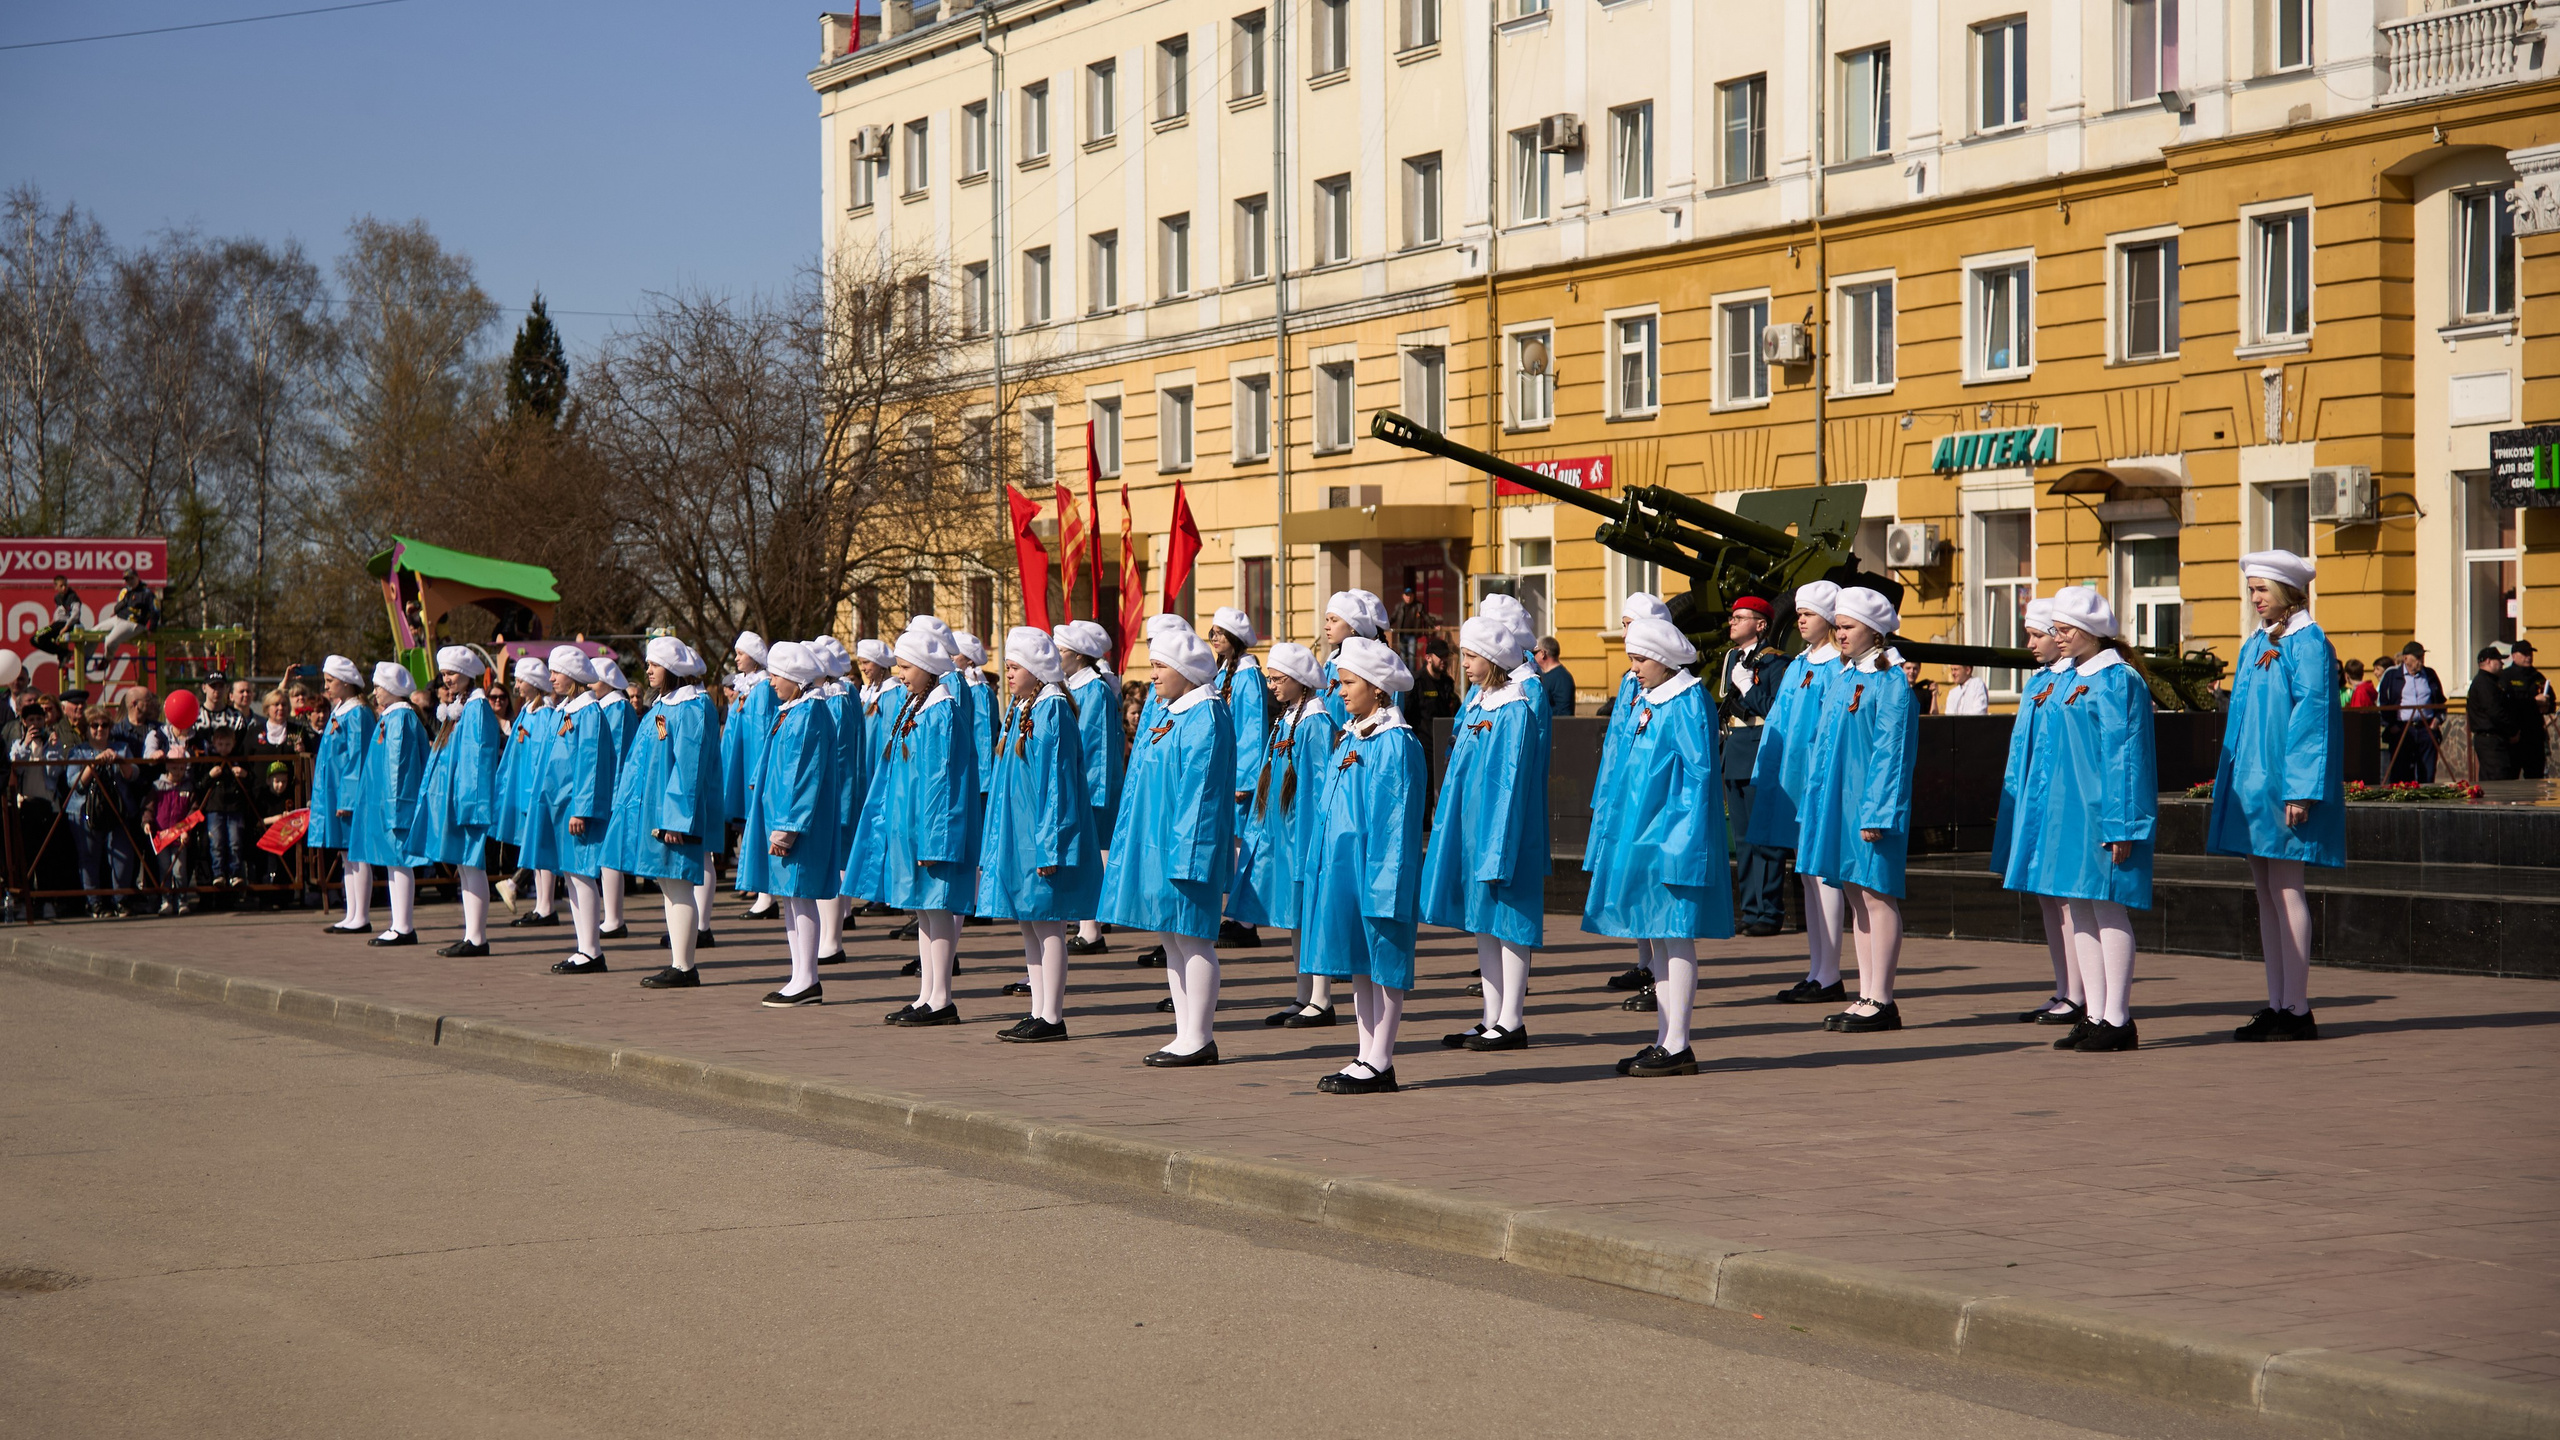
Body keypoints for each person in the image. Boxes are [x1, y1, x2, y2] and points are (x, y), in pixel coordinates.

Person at [1582, 616, 1730, 1076]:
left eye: (1641, 658)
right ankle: (1666, 1039)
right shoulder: (1654, 699)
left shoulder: (1687, 702)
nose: (1634, 667)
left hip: (1670, 840)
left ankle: (1679, 1043)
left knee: (1676, 936)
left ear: (1665, 660)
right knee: (1662, 941)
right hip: (1646, 835)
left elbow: (1697, 778)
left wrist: (1682, 845)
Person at [2206, 551, 2341, 1041]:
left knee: (2287, 891)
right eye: (2252, 590)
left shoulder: (2308, 643)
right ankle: (2277, 1002)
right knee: (2266, 894)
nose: (2255, 598)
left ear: (2288, 591)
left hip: (2285, 790)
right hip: (2254, 789)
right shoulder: (2256, 644)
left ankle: (2298, 1009)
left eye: (2262, 589)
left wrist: (2302, 789)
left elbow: (2313, 719)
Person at [2023, 588, 2157, 1053]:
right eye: (2055, 629)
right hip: (2069, 813)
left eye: (2063, 630)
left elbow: (2126, 757)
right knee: (2080, 908)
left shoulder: (2117, 679)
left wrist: (2123, 825)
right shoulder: (2069, 678)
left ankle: (2118, 1017)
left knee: (2107, 908)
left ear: (2087, 631)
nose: (2056, 638)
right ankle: (2095, 1013)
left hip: (2102, 814)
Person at [1098, 622, 1235, 1066]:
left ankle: (1200, 1036)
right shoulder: (1174, 711)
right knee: (1173, 941)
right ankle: (1184, 1033)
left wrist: (1188, 855)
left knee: (1194, 940)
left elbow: (1201, 795)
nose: (1153, 675)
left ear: (1184, 669)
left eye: (1159, 666)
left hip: (1187, 851)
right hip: (1161, 847)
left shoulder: (1206, 715)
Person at [1297, 636, 1427, 1094]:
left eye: (1349, 682)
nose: (1340, 690)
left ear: (1376, 687)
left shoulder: (1395, 743)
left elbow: (1396, 821)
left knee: (1383, 963)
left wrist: (1385, 883)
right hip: (1344, 870)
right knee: (1357, 961)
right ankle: (1364, 1051)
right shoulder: (1352, 734)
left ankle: (1382, 1059)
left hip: (1376, 874)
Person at [1422, 616, 1547, 1051]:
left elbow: (1510, 784)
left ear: (1493, 659)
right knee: (1484, 925)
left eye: (1472, 656)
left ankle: (1512, 1019)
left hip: (1504, 836)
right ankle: (1491, 1016)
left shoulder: (1516, 707)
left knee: (1510, 924)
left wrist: (1497, 843)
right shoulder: (1480, 701)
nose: (1465, 665)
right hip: (1476, 831)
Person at [1797, 588, 1918, 1035]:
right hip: (1839, 803)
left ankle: (1882, 999)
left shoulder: (1891, 680)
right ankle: (1867, 995)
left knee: (1875, 895)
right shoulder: (1846, 676)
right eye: (1839, 626)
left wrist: (1878, 813)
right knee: (1854, 894)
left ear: (1875, 630)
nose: (1839, 634)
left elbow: (1891, 751)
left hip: (1870, 808)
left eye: (1848, 627)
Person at [979, 628, 1101, 1042]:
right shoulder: (1023, 706)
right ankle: (1037, 1009)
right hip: (1021, 835)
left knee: (1049, 926)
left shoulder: (1053, 710)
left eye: (1014, 667)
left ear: (1034, 669)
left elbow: (1058, 784)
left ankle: (1053, 1015)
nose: (1008, 674)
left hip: (1042, 839)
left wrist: (1052, 844)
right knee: (1030, 924)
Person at [850, 627, 975, 1021]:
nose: (899, 673)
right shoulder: (917, 706)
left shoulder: (942, 712)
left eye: (905, 666)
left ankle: (942, 998)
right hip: (912, 829)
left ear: (925, 667)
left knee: (937, 911)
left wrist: (935, 841)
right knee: (923, 912)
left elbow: (942, 782)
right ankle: (927, 993)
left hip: (930, 833)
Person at [1994, 600, 2087, 1027]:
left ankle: (2081, 993)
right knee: (2048, 899)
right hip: (2033, 799)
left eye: (2038, 635)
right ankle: (2064, 987)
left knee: (2067, 901)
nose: (2029, 643)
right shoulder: (2039, 682)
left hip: (2059, 803)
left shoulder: (2077, 680)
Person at [1753, 582, 1847, 1004]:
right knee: (1806, 874)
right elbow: (1777, 721)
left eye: (1809, 613)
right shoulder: (1798, 665)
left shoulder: (1836, 667)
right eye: (1800, 613)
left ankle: (1830, 973)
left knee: (1823, 875)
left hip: (1818, 780)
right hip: (1793, 780)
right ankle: (1816, 969)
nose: (1801, 619)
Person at [738, 642, 841, 1006]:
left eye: (777, 676)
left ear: (796, 679)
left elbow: (802, 774)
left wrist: (788, 827)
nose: (771, 683)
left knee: (801, 896)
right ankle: (799, 974)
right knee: (791, 898)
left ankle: (808, 977)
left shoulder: (809, 714)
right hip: (783, 820)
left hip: (796, 827)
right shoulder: (794, 710)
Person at [619, 637, 725, 988]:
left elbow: (689, 767)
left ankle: (684, 966)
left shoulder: (692, 707)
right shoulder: (665, 705)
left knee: (679, 883)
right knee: (668, 884)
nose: (647, 670)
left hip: (674, 816)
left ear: (673, 669)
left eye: (654, 664)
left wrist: (677, 819)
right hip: (657, 811)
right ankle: (678, 962)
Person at [1245, 642, 1341, 1027]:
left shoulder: (1315, 721)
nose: (1271, 685)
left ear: (1300, 681)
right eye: (1269, 678)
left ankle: (1322, 998)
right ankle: (1303, 994)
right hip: (1285, 834)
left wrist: (1313, 841)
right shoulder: (1288, 718)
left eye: (1277, 678)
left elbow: (1319, 788)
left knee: (1312, 912)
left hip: (1304, 835)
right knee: (1295, 914)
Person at [1597, 592, 1678, 1004]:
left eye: (1630, 624)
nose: (1626, 633)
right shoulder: (1633, 678)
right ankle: (1645, 959)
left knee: (1646, 881)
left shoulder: (1671, 691)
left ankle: (1655, 971)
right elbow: (1618, 740)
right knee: (1630, 876)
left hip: (1648, 800)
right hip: (1624, 789)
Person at [407, 647, 505, 957]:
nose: (447, 679)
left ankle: (477, 937)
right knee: (464, 868)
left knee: (471, 866)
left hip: (468, 803)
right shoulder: (460, 707)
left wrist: (471, 805)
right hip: (458, 799)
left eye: (452, 673)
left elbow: (478, 760)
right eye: (445, 674)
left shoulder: (476, 709)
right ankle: (471, 933)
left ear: (467, 673)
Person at [529, 645, 618, 975]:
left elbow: (590, 764)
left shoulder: (589, 714)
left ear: (576, 676)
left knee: (582, 875)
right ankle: (583, 947)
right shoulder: (565, 711)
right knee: (571, 876)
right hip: (560, 806)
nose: (550, 677)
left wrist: (582, 809)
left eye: (557, 671)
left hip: (575, 810)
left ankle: (592, 950)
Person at [1717, 596, 1792, 939]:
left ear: (1761, 625)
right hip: (1734, 751)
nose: (1733, 622)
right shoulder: (1732, 658)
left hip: (1759, 751)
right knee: (1743, 840)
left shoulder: (1775, 662)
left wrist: (1747, 685)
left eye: (1741, 617)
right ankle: (1750, 910)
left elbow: (1776, 711)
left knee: (1765, 839)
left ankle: (1770, 911)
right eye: (1732, 617)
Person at [1054, 621, 1123, 955]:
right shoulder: (1075, 686)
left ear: (1079, 656)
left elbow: (1094, 745)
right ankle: (1087, 924)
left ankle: (1092, 928)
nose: (1055, 655)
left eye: (1061, 650)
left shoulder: (1093, 689)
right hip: (1080, 784)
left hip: (1089, 786)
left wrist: (1086, 792)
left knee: (1094, 854)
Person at [349, 662, 428, 946]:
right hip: (388, 804)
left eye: (379, 687)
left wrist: (396, 806)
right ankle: (398, 923)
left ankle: (404, 926)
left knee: (399, 862)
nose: (375, 693)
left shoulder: (400, 719)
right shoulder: (393, 717)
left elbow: (400, 766)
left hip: (396, 805)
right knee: (393, 864)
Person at [1206, 607, 1271, 950]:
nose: (1213, 637)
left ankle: (1245, 920)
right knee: (1232, 846)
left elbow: (1252, 729)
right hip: (1227, 771)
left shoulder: (1248, 676)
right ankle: (1235, 914)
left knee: (1243, 845)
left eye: (1220, 632)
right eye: (1212, 631)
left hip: (1239, 778)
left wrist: (1246, 779)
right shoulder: (1225, 673)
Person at [308, 655, 379, 935]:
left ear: (346, 683)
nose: (326, 687)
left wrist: (349, 799)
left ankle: (361, 915)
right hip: (335, 793)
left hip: (348, 796)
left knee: (356, 852)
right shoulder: (341, 709)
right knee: (346, 854)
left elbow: (358, 758)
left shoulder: (358, 712)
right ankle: (351, 913)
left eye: (330, 681)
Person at [496, 657, 562, 927]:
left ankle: (546, 906)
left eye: (521, 680)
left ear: (534, 683)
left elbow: (542, 757)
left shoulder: (545, 714)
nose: (517, 685)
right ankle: (540, 905)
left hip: (535, 790)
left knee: (541, 846)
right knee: (534, 848)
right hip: (524, 789)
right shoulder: (527, 711)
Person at [719, 632, 780, 919]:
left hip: (755, 772)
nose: (736, 658)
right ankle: (760, 890)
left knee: (760, 829)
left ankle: (767, 895)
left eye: (740, 653)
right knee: (749, 830)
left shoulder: (764, 689)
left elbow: (766, 732)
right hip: (742, 772)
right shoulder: (747, 689)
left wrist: (760, 771)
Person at [64, 707, 142, 917]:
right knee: (89, 857)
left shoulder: (121, 748)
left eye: (104, 725)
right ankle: (95, 902)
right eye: (94, 725)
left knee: (123, 856)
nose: (100, 729)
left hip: (118, 810)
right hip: (85, 810)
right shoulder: (77, 752)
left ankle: (121, 899)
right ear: (86, 728)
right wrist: (93, 765)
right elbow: (75, 783)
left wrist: (119, 760)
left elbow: (133, 774)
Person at [588, 652, 639, 940]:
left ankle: (614, 918)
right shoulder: (608, 707)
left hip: (614, 791)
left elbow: (618, 756)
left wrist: (613, 794)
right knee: (608, 857)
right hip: (609, 790)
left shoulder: (617, 708)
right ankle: (612, 917)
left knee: (611, 857)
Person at [191, 713, 256, 894]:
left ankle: (236, 873)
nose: (224, 748)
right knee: (216, 841)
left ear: (234, 744)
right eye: (220, 744)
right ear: (214, 744)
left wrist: (243, 775)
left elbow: (251, 781)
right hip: (214, 807)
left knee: (235, 841)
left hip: (235, 807)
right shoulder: (209, 761)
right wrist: (209, 776)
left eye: (228, 744)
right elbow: (199, 784)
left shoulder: (238, 760)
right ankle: (218, 873)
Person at [2377, 642, 2443, 783]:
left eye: (2422, 656)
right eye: (2417, 657)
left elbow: (2440, 701)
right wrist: (2390, 725)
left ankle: (2427, 802)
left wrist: (2437, 721)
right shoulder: (2392, 675)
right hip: (2403, 729)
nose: (2421, 660)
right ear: (2406, 658)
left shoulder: (2429, 674)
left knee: (2427, 771)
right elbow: (2383, 703)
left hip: (2426, 728)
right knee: (2402, 772)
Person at [2503, 638, 2552, 779]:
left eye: (2530, 653)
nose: (2528, 657)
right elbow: (2509, 702)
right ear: (2514, 656)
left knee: (2535, 777)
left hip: (2534, 734)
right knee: (2510, 778)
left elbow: (2551, 698)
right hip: (2515, 734)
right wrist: (2533, 701)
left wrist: (2547, 705)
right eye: (2524, 654)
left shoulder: (2537, 676)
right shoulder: (2507, 676)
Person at [2469, 647, 2518, 781]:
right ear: (2489, 661)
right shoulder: (2484, 683)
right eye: (2499, 660)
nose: (2502, 664)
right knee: (2498, 779)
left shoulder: (2492, 682)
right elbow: (2495, 712)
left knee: (2493, 779)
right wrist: (2513, 731)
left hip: (2495, 739)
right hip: (2490, 740)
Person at [1404, 637, 1459, 733]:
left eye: (1446, 656)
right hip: (1422, 743)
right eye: (1440, 656)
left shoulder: (1447, 683)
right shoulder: (1417, 682)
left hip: (1443, 741)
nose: (1444, 660)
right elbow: (1407, 714)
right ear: (1428, 658)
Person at [1533, 637, 1576, 717]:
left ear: (1543, 653)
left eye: (1534, 653)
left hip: (1556, 727)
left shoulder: (1562, 678)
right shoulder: (1542, 675)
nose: (1532, 657)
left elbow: (1564, 712)